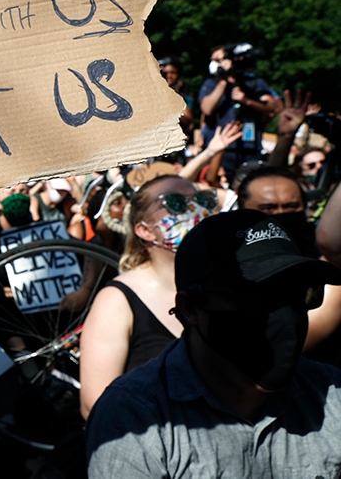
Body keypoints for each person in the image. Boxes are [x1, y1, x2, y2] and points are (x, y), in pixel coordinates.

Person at [86, 210, 341, 477]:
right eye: (254, 296)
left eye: (300, 293)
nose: (285, 314)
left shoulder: (330, 394)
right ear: (190, 308)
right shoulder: (136, 418)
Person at [79, 175, 216, 418]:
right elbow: (96, 406)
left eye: (202, 199)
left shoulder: (225, 282)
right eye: (176, 203)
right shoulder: (116, 300)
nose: (196, 209)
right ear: (144, 230)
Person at [198, 43, 281, 179]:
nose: (216, 64)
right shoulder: (211, 83)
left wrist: (247, 100)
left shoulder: (253, 82)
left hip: (249, 148)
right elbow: (207, 109)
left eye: (219, 60)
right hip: (219, 149)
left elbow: (271, 107)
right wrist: (224, 79)